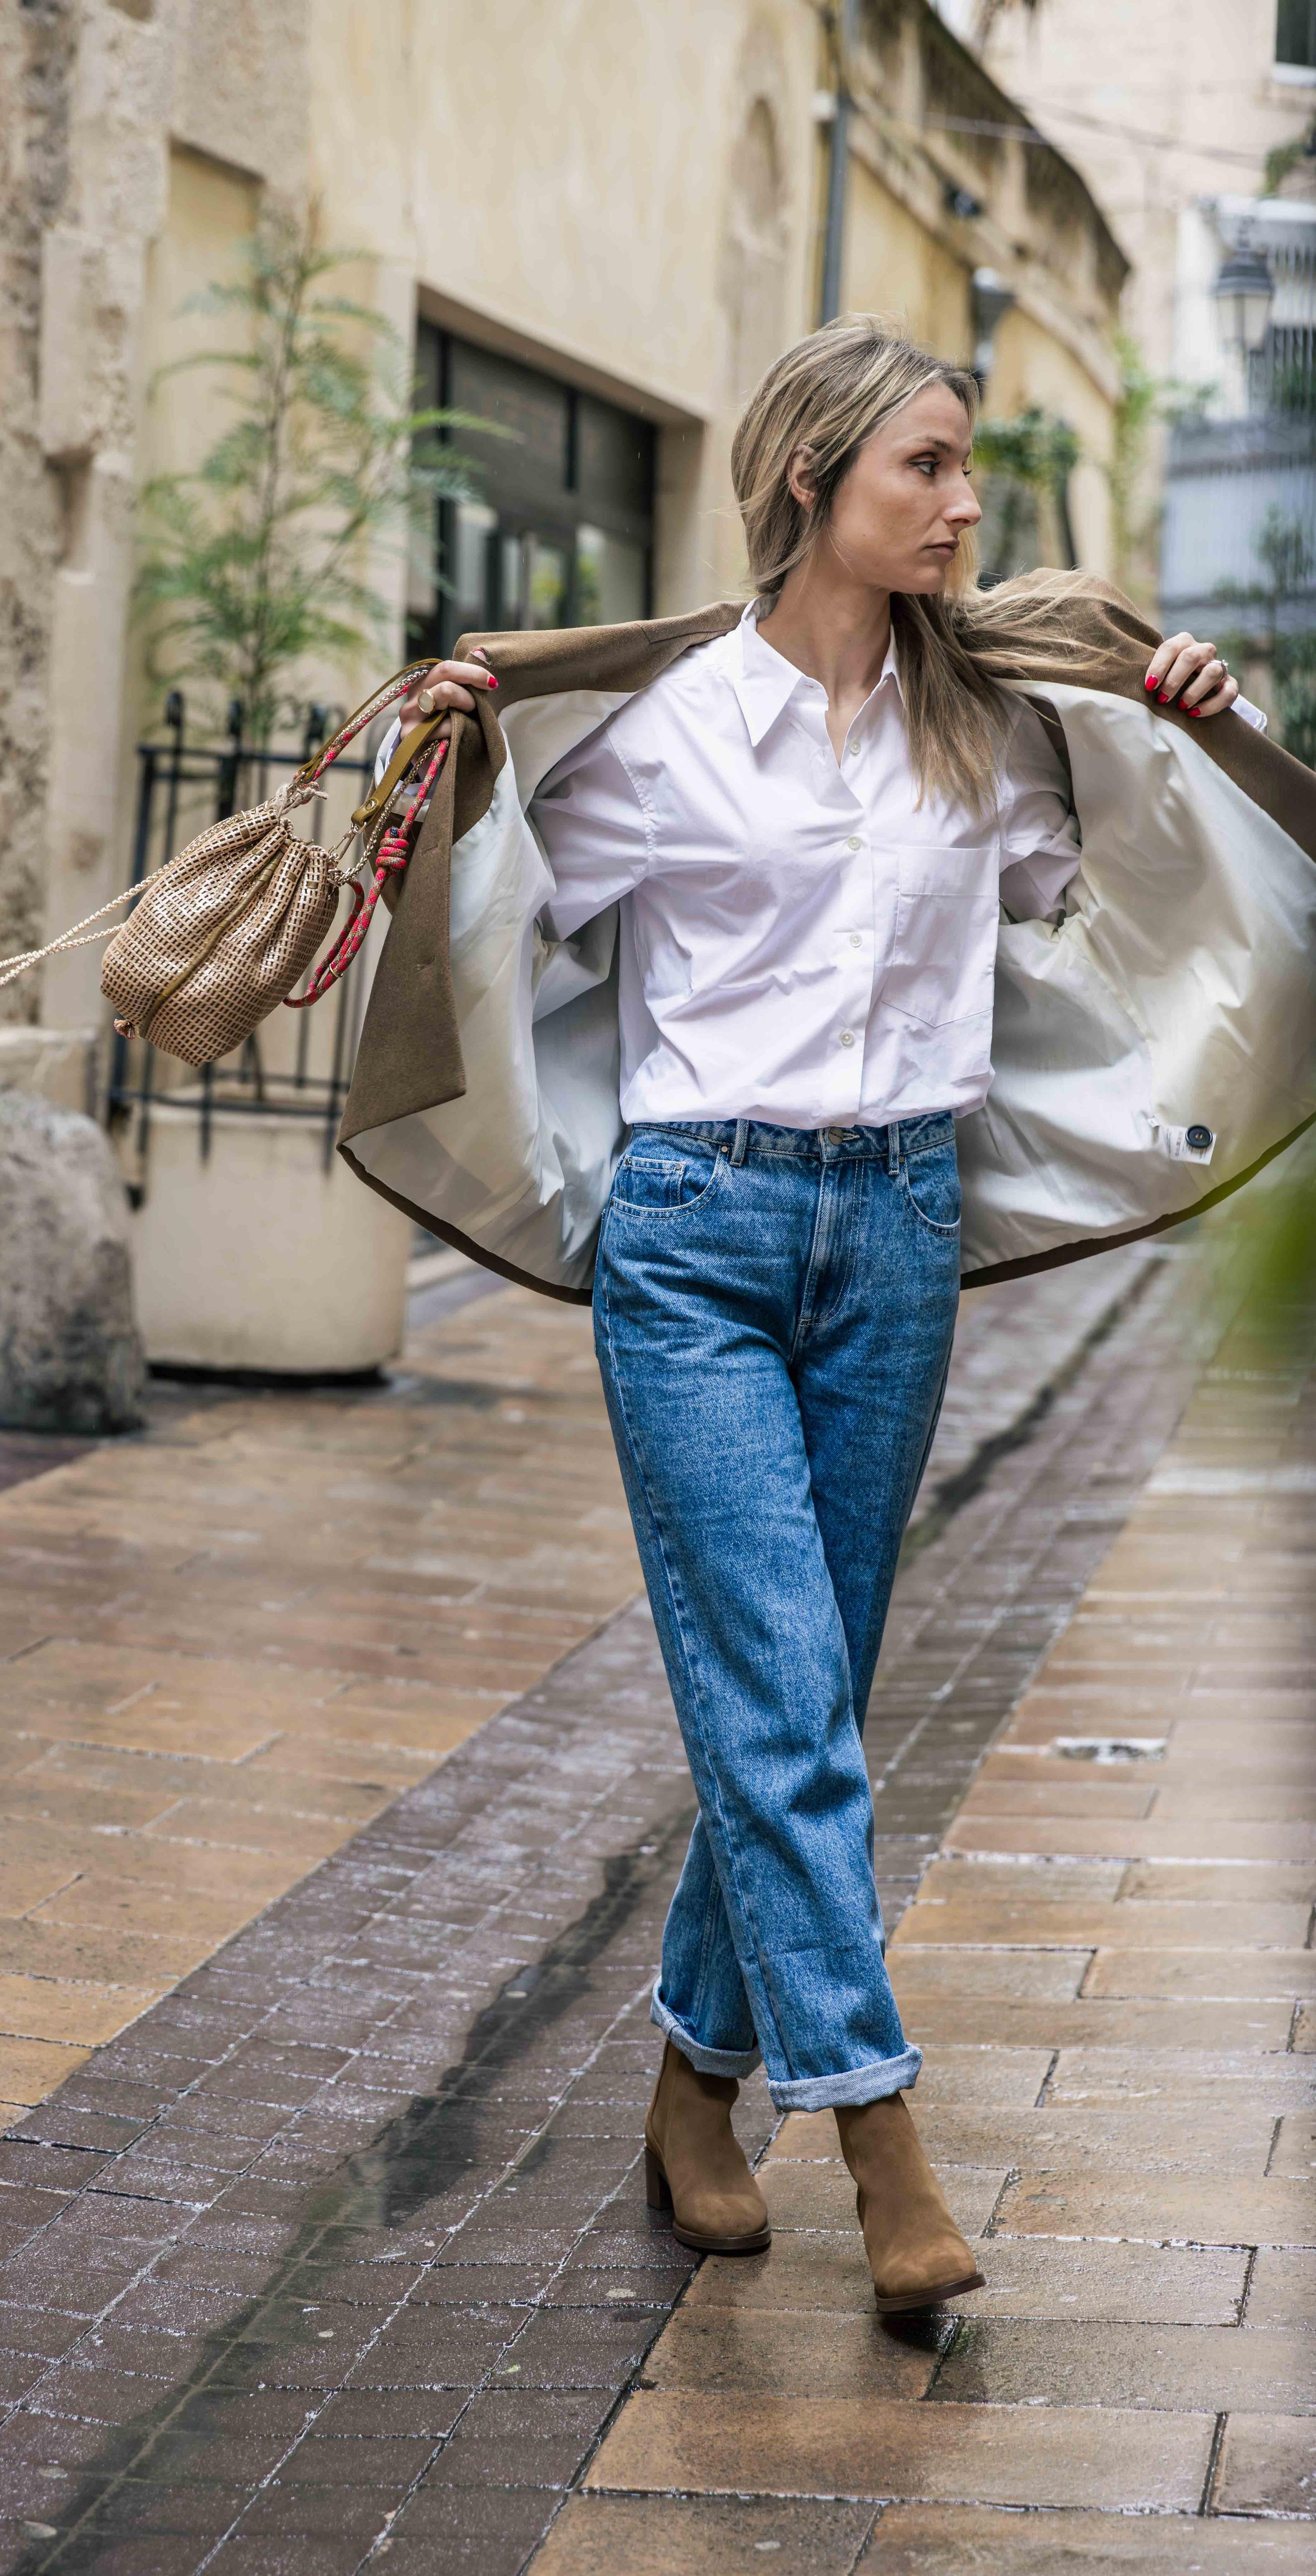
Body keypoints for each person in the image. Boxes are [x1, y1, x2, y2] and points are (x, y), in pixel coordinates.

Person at [383, 319, 1265, 2315]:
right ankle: (877, 2133)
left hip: (893, 1233)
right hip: (690, 1236)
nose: (962, 505)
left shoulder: (982, 725)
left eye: (964, 474)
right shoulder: (669, 722)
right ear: (810, 480)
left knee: (807, 1693)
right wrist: (453, 764)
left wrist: (1173, 725)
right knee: (781, 1697)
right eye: (925, 469)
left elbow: (1099, 893)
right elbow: (497, 926)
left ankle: (694, 2091)